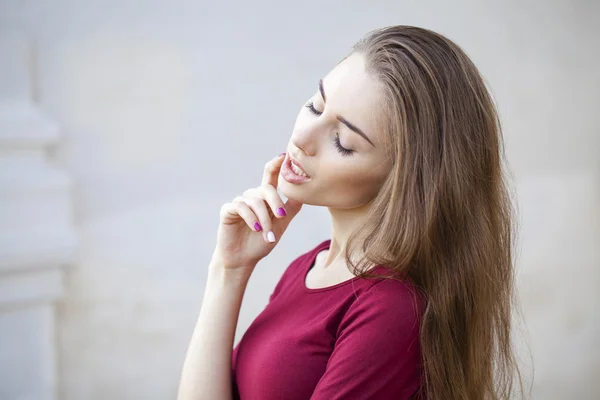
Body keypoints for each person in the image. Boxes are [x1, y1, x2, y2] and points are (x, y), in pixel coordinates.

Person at [177, 25, 524, 400]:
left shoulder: (391, 308)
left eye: (343, 142)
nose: (302, 138)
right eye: (316, 105)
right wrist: (228, 269)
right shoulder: (309, 268)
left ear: (404, 180)